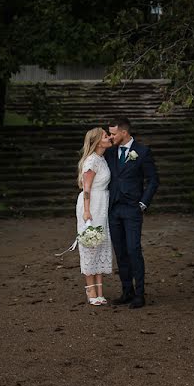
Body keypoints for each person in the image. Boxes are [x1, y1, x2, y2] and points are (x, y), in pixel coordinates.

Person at [106, 117, 159, 309]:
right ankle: (126, 291)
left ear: (124, 132)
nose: (110, 137)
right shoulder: (110, 152)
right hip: (113, 209)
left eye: (113, 133)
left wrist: (143, 203)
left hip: (132, 209)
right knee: (120, 252)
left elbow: (153, 180)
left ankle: (140, 294)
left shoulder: (143, 152)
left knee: (133, 250)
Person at [75, 127, 114, 306]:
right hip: (92, 204)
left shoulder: (102, 159)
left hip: (103, 203)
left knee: (100, 244)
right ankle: (90, 289)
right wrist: (87, 211)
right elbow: (87, 188)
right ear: (98, 141)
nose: (109, 138)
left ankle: (99, 289)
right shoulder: (91, 161)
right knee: (90, 244)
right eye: (106, 136)